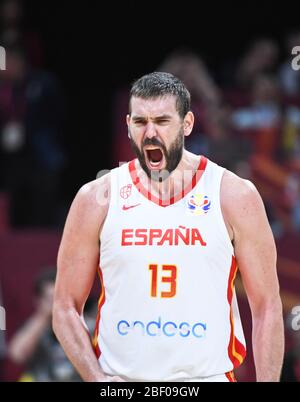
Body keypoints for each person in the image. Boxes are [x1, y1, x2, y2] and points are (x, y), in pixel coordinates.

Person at [53, 72, 284, 382]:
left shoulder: (233, 195)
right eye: (140, 122)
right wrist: (97, 381)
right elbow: (65, 307)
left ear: (186, 123)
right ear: (128, 124)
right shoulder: (96, 198)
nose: (150, 133)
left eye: (162, 121)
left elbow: (267, 306)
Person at [8, 268, 80, 381]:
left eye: (59, 296)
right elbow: (17, 355)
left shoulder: (81, 322)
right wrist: (43, 316)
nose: (56, 304)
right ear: (38, 300)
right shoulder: (33, 327)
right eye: (50, 298)